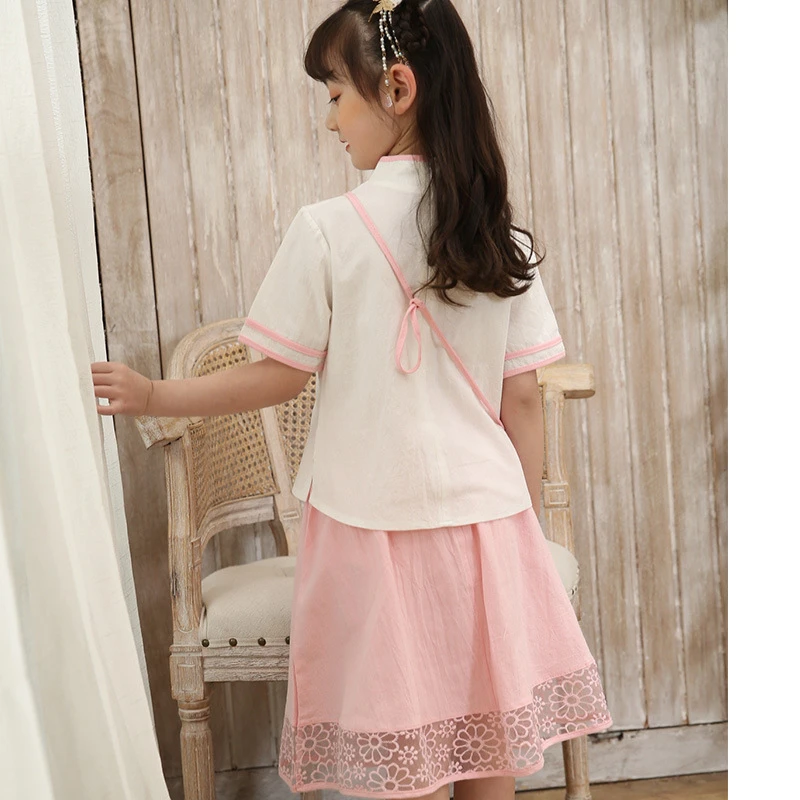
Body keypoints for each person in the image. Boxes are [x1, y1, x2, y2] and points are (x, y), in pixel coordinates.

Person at [91, 1, 613, 797]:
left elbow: (278, 375)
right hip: (488, 528)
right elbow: (524, 400)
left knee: (402, 761)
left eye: (336, 95)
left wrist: (158, 392)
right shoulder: (495, 236)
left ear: (397, 88)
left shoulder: (328, 230)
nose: (329, 119)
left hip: (369, 533)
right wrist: (522, 534)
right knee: (490, 751)